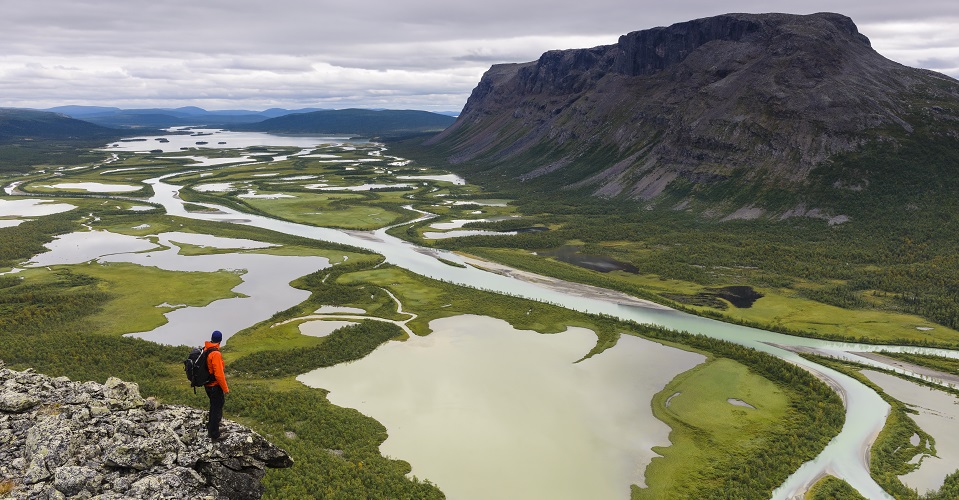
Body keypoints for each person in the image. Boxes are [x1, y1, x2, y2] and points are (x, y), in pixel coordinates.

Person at [204, 330, 229, 440]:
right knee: (216, 407)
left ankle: (213, 427)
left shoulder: (206, 349)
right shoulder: (216, 354)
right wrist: (225, 389)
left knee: (214, 406)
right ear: (220, 340)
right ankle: (214, 434)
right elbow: (219, 374)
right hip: (214, 386)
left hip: (208, 385)